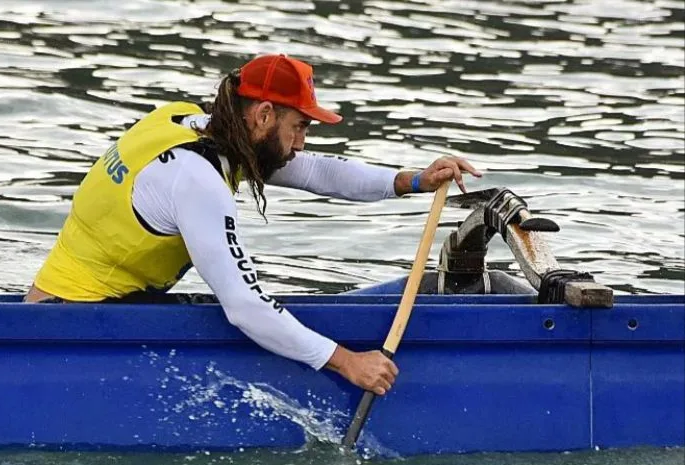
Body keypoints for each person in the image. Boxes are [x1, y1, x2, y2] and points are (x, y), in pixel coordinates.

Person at [24, 53, 481, 396]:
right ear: (263, 115)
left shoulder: (184, 122)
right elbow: (244, 308)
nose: (301, 143)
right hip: (72, 335)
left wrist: (416, 180)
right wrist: (346, 363)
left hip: (68, 312)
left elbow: (317, 172)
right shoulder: (198, 181)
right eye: (299, 127)